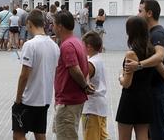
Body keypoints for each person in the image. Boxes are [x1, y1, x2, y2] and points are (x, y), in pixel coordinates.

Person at [116, 16, 164, 140]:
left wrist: (120, 76)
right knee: (143, 136)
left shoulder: (131, 54)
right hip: (146, 99)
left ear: (130, 32)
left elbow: (127, 83)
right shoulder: (152, 51)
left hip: (130, 100)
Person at [12, 9, 60, 140]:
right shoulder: (54, 45)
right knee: (39, 133)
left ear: (29, 23)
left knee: (18, 134)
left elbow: (24, 75)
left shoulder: (30, 45)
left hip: (29, 98)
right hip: (45, 98)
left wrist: (18, 98)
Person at [52, 11, 93, 140]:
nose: (52, 27)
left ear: (60, 26)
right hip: (73, 100)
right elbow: (85, 66)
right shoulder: (77, 42)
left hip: (68, 101)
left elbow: (75, 69)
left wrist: (85, 85)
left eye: (54, 24)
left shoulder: (67, 45)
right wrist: (85, 84)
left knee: (67, 135)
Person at [79, 31, 109, 140]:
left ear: (89, 47)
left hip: (91, 107)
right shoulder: (99, 60)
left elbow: (81, 81)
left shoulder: (90, 63)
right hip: (101, 106)